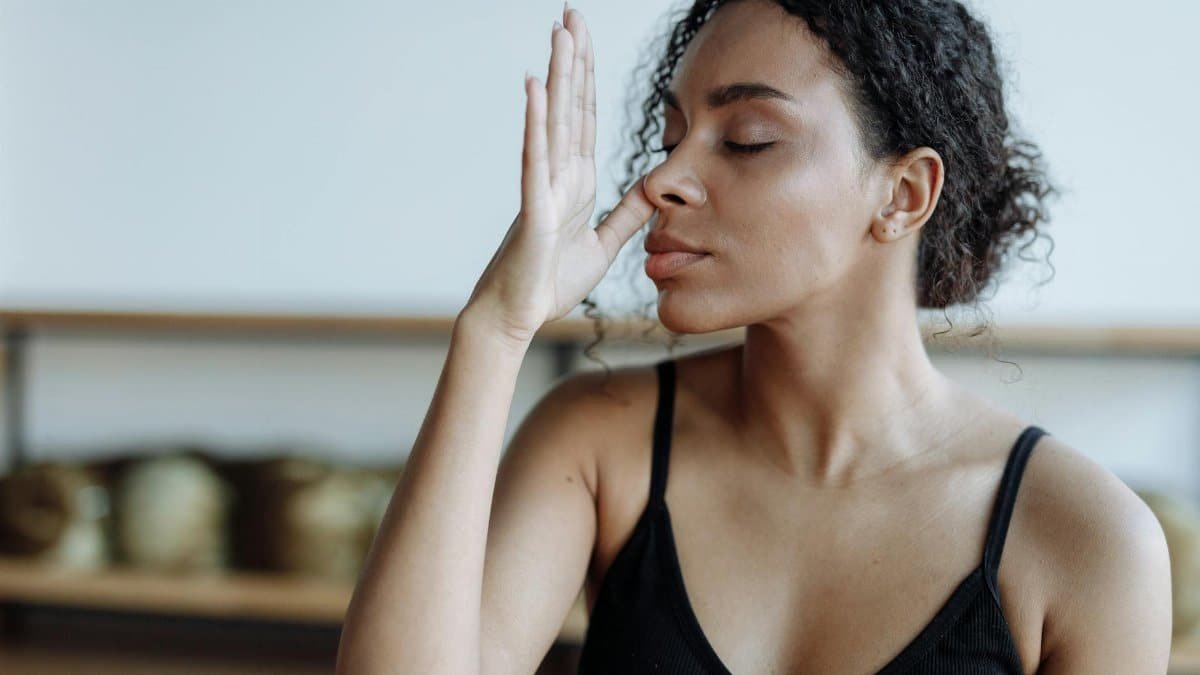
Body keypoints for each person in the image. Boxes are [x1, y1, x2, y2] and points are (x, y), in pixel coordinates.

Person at [336, 1, 1172, 673]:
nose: (662, 178)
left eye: (748, 141)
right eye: (669, 138)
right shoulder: (597, 444)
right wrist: (494, 329)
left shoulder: (1086, 538)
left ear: (904, 194)